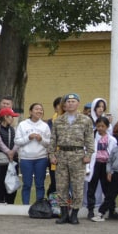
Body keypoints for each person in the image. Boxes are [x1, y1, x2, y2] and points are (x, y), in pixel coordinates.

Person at [50, 94, 94, 225]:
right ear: (64, 104)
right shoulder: (58, 120)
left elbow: (90, 140)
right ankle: (63, 214)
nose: (70, 104)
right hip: (62, 154)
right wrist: (51, 155)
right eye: (68, 101)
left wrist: (89, 154)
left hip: (78, 154)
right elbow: (53, 140)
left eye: (73, 101)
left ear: (78, 103)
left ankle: (74, 214)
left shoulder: (85, 120)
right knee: (61, 186)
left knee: (77, 186)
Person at [14, 102, 51, 204]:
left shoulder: (45, 126)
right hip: (26, 159)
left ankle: (39, 206)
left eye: (41, 109)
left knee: (40, 184)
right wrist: (28, 138)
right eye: (36, 109)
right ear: (30, 111)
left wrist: (41, 139)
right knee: (27, 184)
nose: (39, 111)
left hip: (41, 158)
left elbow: (49, 143)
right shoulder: (22, 125)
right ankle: (25, 206)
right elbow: (17, 141)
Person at [85, 117, 113, 220]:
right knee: (91, 187)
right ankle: (90, 210)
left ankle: (110, 209)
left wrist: (111, 170)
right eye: (98, 126)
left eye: (103, 126)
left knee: (107, 188)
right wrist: (87, 167)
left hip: (106, 165)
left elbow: (113, 154)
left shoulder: (111, 139)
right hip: (95, 164)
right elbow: (86, 151)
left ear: (107, 127)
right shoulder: (91, 137)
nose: (100, 128)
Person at [0, 107, 20, 205]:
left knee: (12, 181)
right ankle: (0, 200)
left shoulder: (12, 129)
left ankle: (10, 201)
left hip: (12, 159)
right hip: (1, 160)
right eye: (11, 117)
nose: (12, 119)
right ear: (5, 117)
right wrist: (8, 152)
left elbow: (16, 141)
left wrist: (12, 152)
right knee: (0, 181)